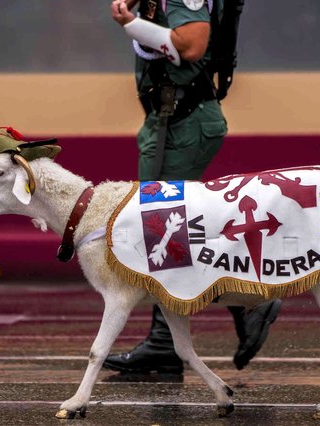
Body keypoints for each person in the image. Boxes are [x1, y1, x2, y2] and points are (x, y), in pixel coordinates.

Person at [106, 0, 281, 374]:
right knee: (166, 234)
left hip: (183, 123)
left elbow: (192, 44)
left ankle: (245, 302)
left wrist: (131, 23)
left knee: (163, 232)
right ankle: (170, 340)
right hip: (170, 121)